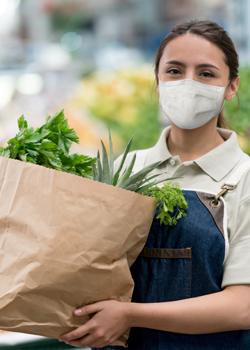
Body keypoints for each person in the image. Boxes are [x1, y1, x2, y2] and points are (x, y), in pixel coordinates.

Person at [59, 20, 250, 349]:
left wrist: (130, 315)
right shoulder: (121, 170)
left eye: (206, 73)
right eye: (175, 71)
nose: (188, 83)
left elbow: (242, 307)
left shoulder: (244, 178)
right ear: (158, 81)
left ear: (231, 87)